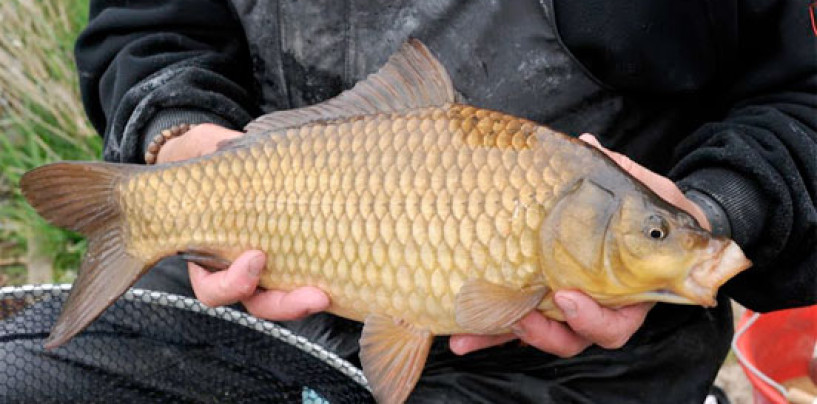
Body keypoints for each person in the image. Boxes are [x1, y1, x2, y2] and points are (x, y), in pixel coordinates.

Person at [66, 0, 816, 402]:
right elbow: (148, 28)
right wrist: (175, 135)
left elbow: (798, 100)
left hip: (595, 371)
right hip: (247, 286)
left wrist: (719, 205)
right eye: (657, 234)